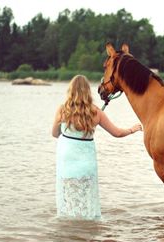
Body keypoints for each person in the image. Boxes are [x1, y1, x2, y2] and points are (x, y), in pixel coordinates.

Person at [52, 75, 142, 219]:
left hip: (67, 162)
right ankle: (87, 225)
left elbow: (55, 134)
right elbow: (117, 133)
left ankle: (70, 226)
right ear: (88, 91)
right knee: (87, 197)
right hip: (86, 163)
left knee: (68, 196)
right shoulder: (96, 112)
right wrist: (133, 129)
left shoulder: (63, 110)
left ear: (70, 90)